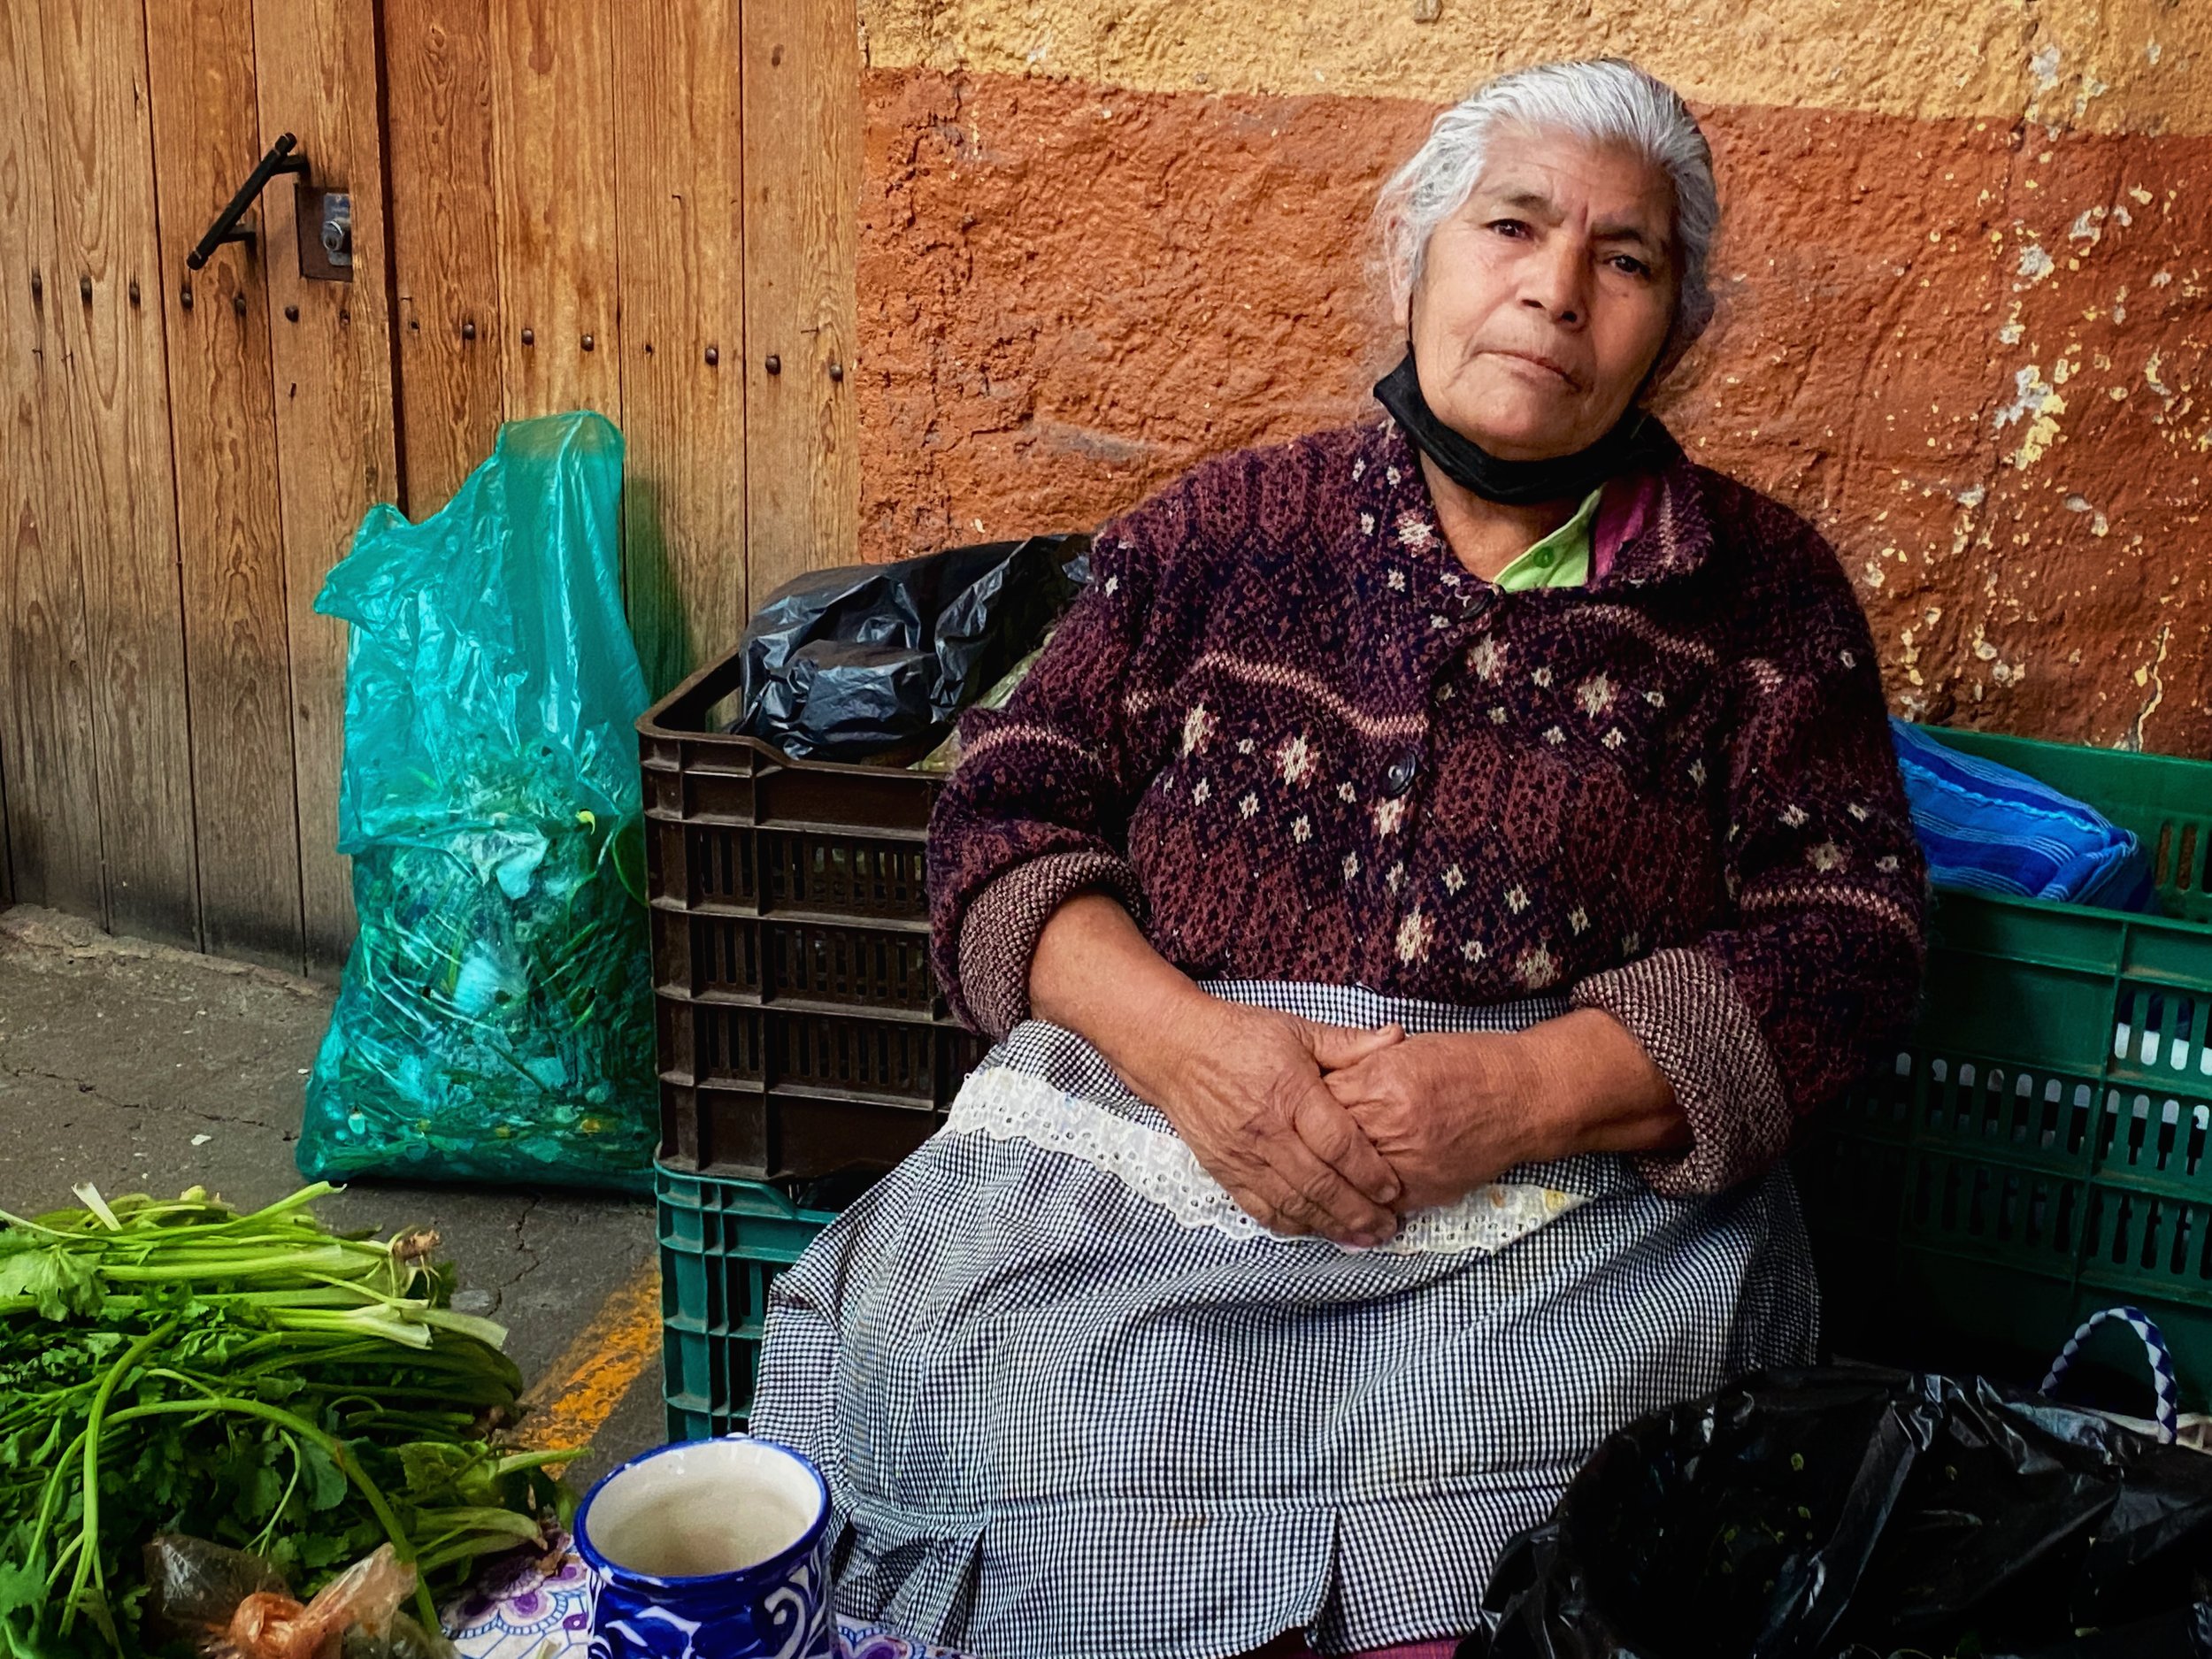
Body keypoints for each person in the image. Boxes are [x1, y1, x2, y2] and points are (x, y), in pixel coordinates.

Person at [752, 57, 1924, 1659]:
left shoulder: (1762, 594)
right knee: (984, 1370)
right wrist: (1189, 1051)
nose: (1556, 290)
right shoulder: (1223, 531)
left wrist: (1519, 1094)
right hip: (1159, 1145)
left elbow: (1845, 931)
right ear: (1416, 258)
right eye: (1511, 225)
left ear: (1679, 326)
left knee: (1601, 1457)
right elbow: (1005, 811)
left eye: (1625, 259)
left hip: (1567, 1209)